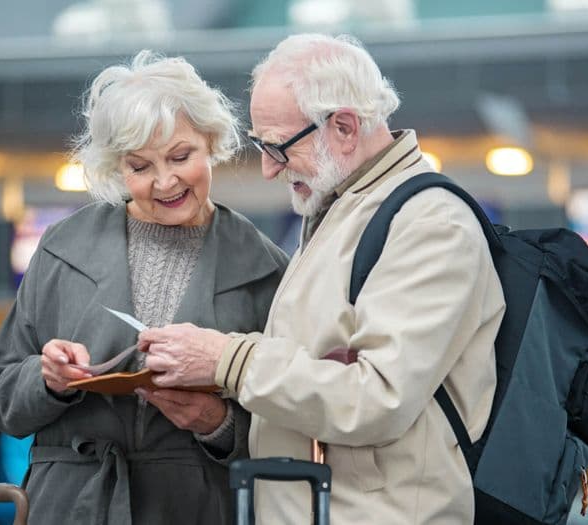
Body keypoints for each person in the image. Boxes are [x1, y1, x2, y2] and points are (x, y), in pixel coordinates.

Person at [138, 33, 506, 524]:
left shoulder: (430, 224)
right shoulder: (346, 208)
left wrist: (225, 360)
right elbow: (314, 371)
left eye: (278, 147)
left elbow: (376, 398)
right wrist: (217, 408)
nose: (269, 169)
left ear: (346, 128)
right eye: (260, 146)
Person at [0, 50, 288, 525]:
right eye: (139, 166)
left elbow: (294, 420)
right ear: (114, 167)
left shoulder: (264, 267)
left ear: (211, 141)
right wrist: (47, 380)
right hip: (70, 505)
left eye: (181, 156)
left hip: (194, 506)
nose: (165, 181)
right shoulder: (63, 247)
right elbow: (2, 402)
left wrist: (218, 424)